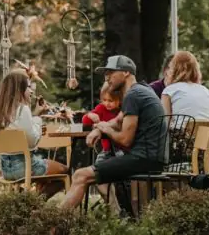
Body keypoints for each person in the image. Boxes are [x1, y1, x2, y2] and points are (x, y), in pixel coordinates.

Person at [61, 55, 168, 211]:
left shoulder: (133, 95)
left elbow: (125, 140)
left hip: (144, 158)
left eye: (111, 72)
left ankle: (53, 225)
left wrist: (105, 129)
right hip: (152, 157)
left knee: (80, 175)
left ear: (125, 73)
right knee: (87, 172)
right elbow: (118, 120)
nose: (107, 77)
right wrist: (99, 128)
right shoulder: (141, 90)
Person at [0, 70, 69, 186]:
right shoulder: (22, 109)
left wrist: (35, 115)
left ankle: (34, 200)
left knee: (50, 169)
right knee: (65, 170)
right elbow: (32, 142)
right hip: (24, 169)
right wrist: (38, 121)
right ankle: (36, 200)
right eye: (28, 87)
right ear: (18, 90)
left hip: (6, 170)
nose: (31, 91)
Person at [160, 50, 209, 122]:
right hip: (207, 132)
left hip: (182, 132)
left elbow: (164, 124)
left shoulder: (169, 91)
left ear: (174, 69)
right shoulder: (207, 92)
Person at [82, 79, 126, 155]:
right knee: (99, 163)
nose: (107, 103)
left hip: (122, 148)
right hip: (106, 149)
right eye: (104, 100)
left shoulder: (124, 109)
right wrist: (90, 115)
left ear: (120, 100)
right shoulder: (101, 108)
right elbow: (85, 121)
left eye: (110, 101)